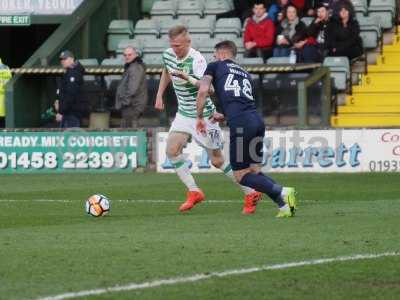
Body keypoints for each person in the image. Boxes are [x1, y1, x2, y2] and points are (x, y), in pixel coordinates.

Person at [155, 25, 262, 214]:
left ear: (188, 42)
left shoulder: (197, 60)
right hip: (183, 114)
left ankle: (251, 192)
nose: (175, 49)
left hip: (204, 115)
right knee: (171, 150)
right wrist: (159, 95)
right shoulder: (168, 54)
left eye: (178, 45)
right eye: (172, 45)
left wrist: (187, 79)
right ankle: (194, 191)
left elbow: (210, 90)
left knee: (217, 160)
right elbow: (166, 71)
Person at [195, 40, 297, 217]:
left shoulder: (215, 66)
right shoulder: (245, 73)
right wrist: (224, 115)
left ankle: (282, 191)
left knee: (241, 175)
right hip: (256, 121)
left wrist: (198, 117)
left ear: (223, 54)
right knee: (255, 170)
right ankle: (284, 206)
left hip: (242, 124)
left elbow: (203, 90)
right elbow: (241, 100)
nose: (213, 57)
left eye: (215, 53)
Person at [115, 46, 148, 128]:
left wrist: (124, 102)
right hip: (131, 104)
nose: (127, 57)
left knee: (130, 131)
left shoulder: (135, 68)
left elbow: (132, 89)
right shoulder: (132, 66)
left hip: (132, 105)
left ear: (136, 55)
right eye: (125, 55)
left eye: (129, 55)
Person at [55, 50, 85, 128]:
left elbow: (70, 95)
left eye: (65, 59)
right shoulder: (69, 72)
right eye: (61, 59)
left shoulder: (73, 73)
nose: (62, 61)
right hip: (69, 112)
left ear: (72, 59)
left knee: (69, 138)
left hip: (71, 113)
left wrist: (61, 111)